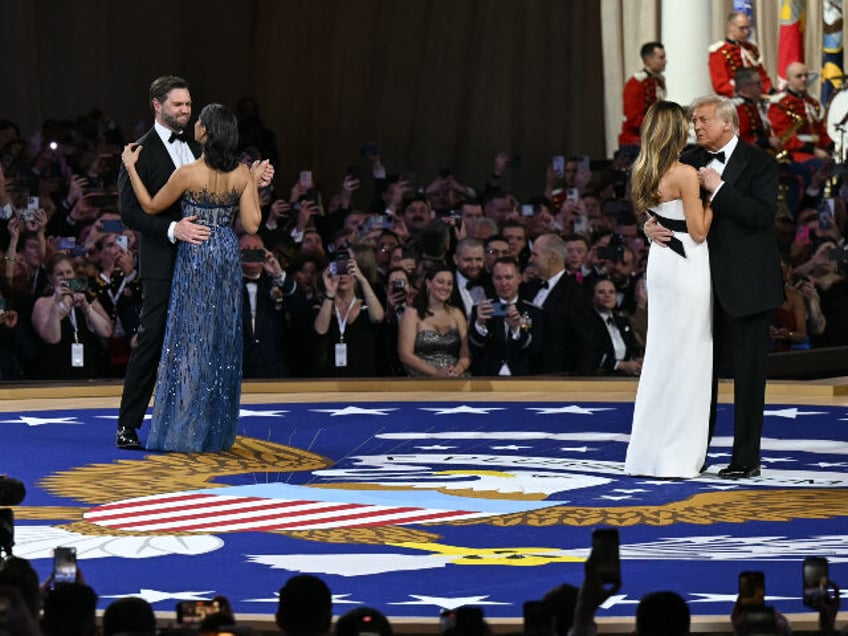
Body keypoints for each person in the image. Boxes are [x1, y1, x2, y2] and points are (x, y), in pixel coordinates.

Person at [646, 95, 783, 479]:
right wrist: (648, 225)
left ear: (729, 123)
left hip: (747, 288)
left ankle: (745, 459)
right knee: (696, 374)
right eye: (694, 120)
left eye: (703, 119)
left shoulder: (761, 163)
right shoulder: (687, 159)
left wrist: (720, 190)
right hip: (697, 286)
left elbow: (762, 216)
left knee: (748, 376)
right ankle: (692, 454)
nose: (696, 126)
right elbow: (657, 197)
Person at [120, 102, 263, 452]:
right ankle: (214, 430)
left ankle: (183, 430)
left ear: (206, 132)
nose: (194, 122)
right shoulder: (242, 174)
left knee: (190, 340)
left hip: (196, 256)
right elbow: (253, 225)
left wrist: (131, 169)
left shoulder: (188, 173)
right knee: (221, 340)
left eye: (199, 120)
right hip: (227, 255)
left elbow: (151, 206)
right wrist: (254, 183)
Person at [114, 75, 208, 450]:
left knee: (198, 341)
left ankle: (192, 423)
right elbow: (128, 213)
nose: (185, 111)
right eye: (177, 105)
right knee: (152, 339)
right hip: (162, 260)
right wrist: (172, 229)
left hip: (202, 259)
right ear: (157, 105)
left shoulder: (201, 145)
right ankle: (128, 424)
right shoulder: (137, 152)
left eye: (188, 104)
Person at [625, 101, 713, 479]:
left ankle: (646, 454)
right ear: (675, 131)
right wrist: (717, 196)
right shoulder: (686, 174)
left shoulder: (642, 170)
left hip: (660, 265)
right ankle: (677, 457)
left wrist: (648, 225)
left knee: (661, 354)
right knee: (691, 355)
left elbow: (644, 213)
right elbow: (699, 231)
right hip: (688, 264)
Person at [31, 254, 113, 379]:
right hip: (55, 373)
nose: (65, 277)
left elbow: (106, 331)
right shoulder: (43, 303)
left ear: (75, 275)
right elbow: (52, 338)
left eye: (69, 272)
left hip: (88, 371)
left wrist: (87, 308)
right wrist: (56, 307)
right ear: (51, 278)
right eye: (60, 274)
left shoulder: (86, 298)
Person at [312, 250, 385, 377]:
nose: (343, 275)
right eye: (338, 269)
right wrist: (330, 292)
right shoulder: (323, 306)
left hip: (364, 379)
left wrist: (362, 279)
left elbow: (378, 318)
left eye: (347, 268)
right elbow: (320, 330)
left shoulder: (367, 306)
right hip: (331, 379)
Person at [469, 257, 541, 376]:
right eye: (498, 278)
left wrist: (516, 329)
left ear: (519, 278)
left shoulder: (531, 312)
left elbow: (533, 350)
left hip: (521, 379)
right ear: (492, 280)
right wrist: (480, 324)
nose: (503, 283)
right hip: (487, 378)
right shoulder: (482, 309)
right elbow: (474, 349)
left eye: (508, 277)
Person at [398, 262, 471, 377]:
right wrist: (436, 373)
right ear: (428, 283)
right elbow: (405, 354)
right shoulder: (412, 313)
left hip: (455, 378)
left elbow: (466, 352)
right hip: (422, 381)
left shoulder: (457, 314)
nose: (445, 287)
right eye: (440, 282)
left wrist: (457, 370)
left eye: (449, 284)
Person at [709, 11, 773, 98]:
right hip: (733, 100)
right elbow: (720, 84)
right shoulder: (719, 52)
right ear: (731, 27)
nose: (746, 32)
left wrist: (769, 90)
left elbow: (762, 76)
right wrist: (742, 93)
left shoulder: (751, 48)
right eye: (742, 28)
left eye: (747, 28)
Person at [618, 42, 667, 150]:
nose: (665, 61)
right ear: (648, 60)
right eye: (661, 58)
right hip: (635, 140)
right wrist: (659, 127)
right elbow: (633, 118)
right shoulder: (636, 83)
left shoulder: (658, 81)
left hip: (652, 137)